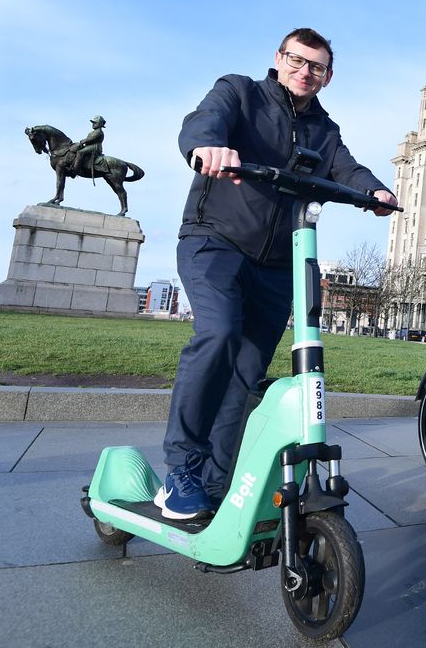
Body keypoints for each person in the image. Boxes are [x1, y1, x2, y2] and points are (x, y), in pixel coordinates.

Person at [158, 28, 398, 520]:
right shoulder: (240, 93)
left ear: (327, 77)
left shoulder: (324, 131)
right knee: (220, 332)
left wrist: (375, 191)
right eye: (297, 60)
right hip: (214, 240)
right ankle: (181, 470)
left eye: (317, 67)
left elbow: (346, 169)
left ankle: (217, 481)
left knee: (247, 374)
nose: (304, 71)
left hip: (274, 266)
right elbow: (204, 122)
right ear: (279, 58)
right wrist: (208, 147)